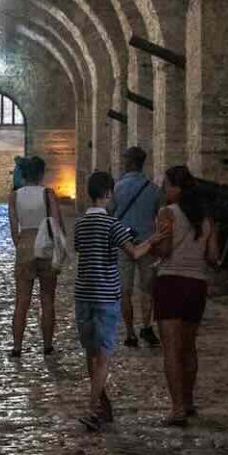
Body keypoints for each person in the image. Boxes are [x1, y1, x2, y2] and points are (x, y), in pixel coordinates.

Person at [129, 164, 223, 427]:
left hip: (171, 282)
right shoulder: (205, 217)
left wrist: (154, 243)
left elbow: (165, 250)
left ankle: (177, 407)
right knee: (189, 346)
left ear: (176, 188)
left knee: (171, 349)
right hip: (197, 285)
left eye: (167, 186)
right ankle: (189, 400)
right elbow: (213, 256)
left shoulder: (167, 213)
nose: (164, 191)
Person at [72, 170, 135, 429]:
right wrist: (154, 241)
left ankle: (101, 404)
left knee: (92, 353)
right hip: (106, 295)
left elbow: (79, 248)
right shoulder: (113, 225)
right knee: (104, 356)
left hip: (83, 294)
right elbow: (133, 252)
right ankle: (93, 408)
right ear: (108, 193)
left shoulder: (79, 224)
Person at [7, 153, 67, 359]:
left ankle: (17, 346)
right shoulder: (48, 194)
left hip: (25, 244)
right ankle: (48, 345)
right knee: (47, 298)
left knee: (21, 299)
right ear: (41, 174)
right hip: (46, 246)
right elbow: (57, 222)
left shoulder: (15, 196)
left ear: (24, 174)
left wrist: (22, 244)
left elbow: (14, 228)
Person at [110, 146, 162, 351]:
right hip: (147, 244)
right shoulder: (153, 189)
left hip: (123, 244)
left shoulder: (117, 188)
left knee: (125, 291)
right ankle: (147, 326)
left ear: (130, 162)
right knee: (147, 289)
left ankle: (130, 332)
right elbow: (160, 215)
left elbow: (110, 212)